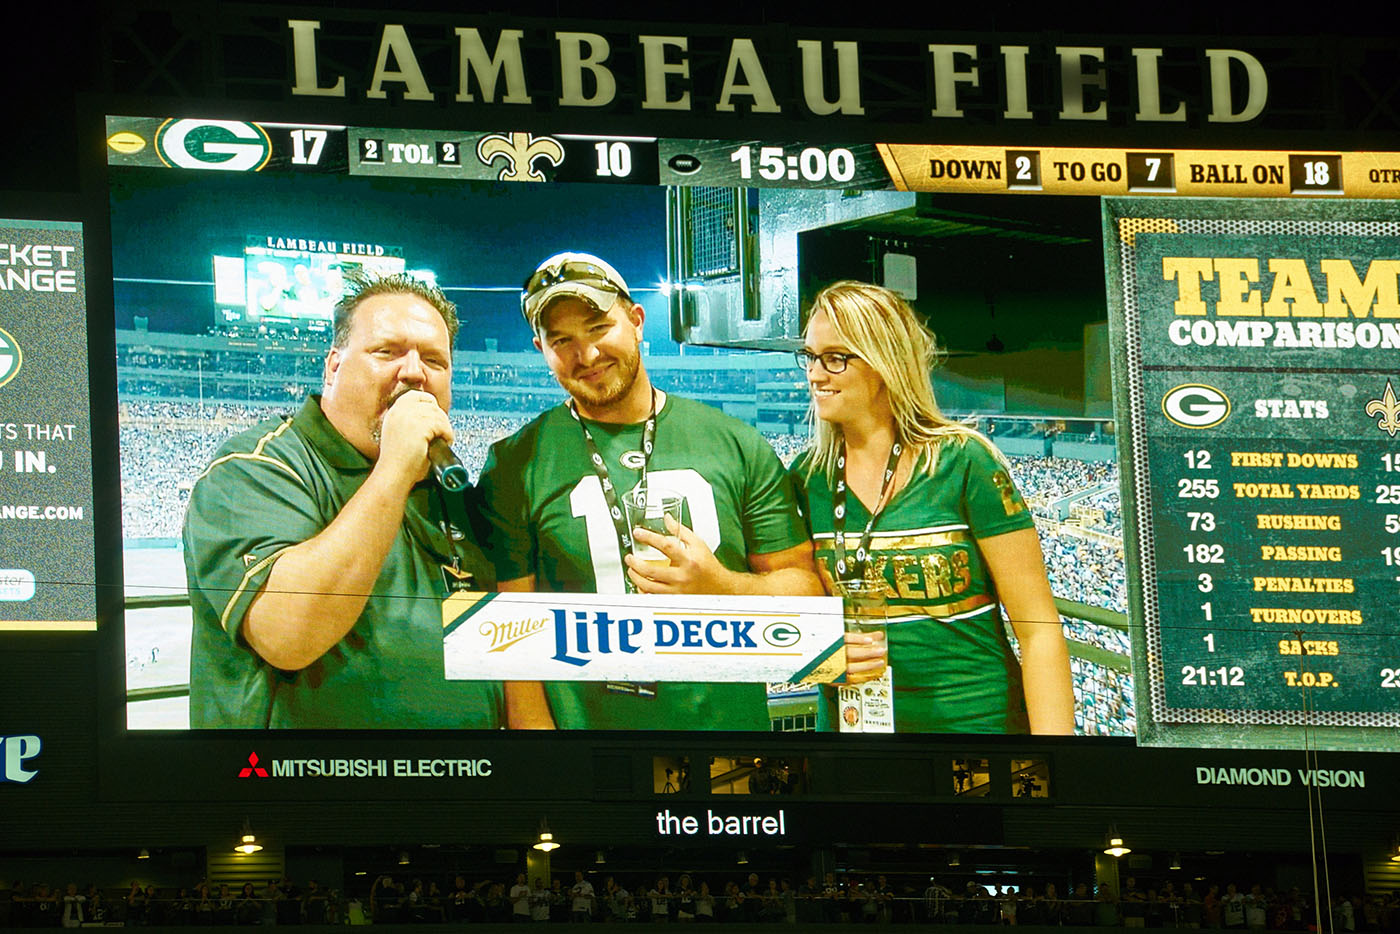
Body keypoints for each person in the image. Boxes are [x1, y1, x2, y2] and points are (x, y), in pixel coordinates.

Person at [474, 252, 823, 729]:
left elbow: (805, 595)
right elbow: (511, 632)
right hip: (589, 758)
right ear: (541, 348)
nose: (587, 355)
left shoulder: (738, 443)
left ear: (637, 321)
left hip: (726, 750)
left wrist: (723, 587)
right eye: (562, 340)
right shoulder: (514, 462)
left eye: (599, 328)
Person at [183, 271, 500, 728]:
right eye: (386, 351)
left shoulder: (451, 485)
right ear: (333, 366)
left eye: (435, 360)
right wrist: (395, 467)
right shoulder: (256, 467)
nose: (414, 371)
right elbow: (288, 634)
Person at [790, 281, 1075, 734]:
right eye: (809, 357)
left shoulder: (965, 461)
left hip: (977, 734)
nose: (815, 374)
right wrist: (819, 652)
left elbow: (1038, 630)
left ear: (885, 362)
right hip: (851, 740)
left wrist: (1057, 764)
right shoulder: (804, 477)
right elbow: (787, 617)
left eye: (835, 358)